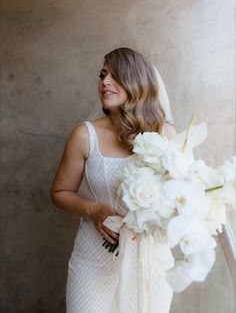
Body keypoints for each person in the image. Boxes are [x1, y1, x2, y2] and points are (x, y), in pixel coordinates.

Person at [50, 47, 177, 313]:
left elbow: (181, 195)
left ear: (136, 81)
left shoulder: (165, 134)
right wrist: (94, 210)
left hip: (150, 261)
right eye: (102, 74)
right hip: (93, 261)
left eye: (114, 75)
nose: (104, 82)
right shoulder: (85, 135)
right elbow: (60, 191)